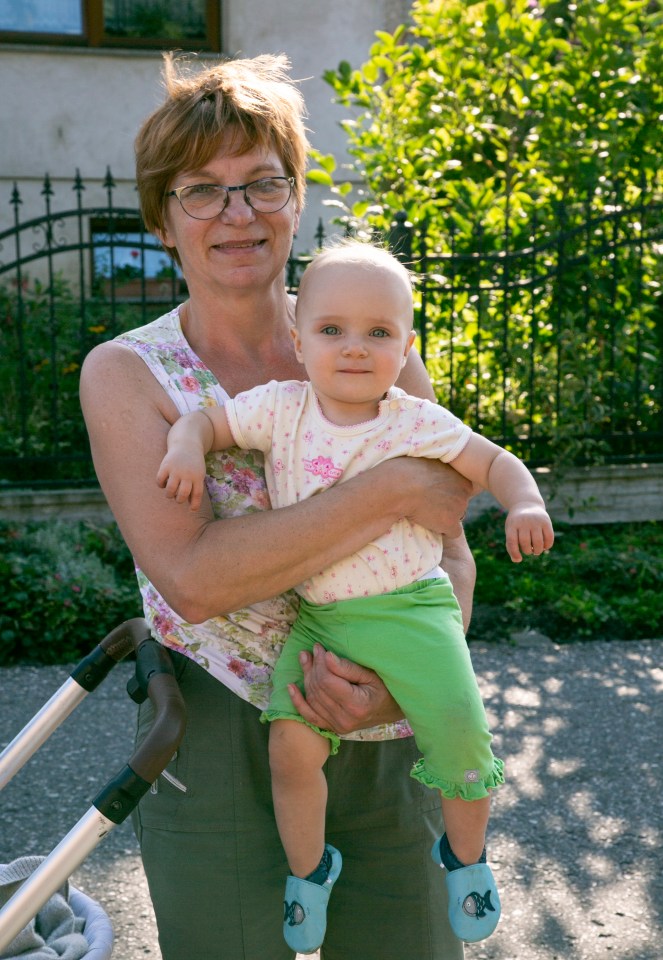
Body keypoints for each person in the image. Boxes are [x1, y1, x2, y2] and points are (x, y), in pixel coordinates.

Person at [80, 53, 477, 960]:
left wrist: (404, 673)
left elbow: (449, 548)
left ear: (296, 199)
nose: (238, 214)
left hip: (382, 699)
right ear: (162, 218)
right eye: (203, 191)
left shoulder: (360, 338)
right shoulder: (129, 374)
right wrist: (391, 489)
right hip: (218, 720)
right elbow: (193, 577)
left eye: (262, 183)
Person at [157, 239, 555, 951]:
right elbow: (205, 422)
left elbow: (492, 461)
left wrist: (523, 503)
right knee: (290, 745)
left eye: (378, 332)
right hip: (323, 620)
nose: (353, 348)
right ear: (298, 339)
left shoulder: (412, 420)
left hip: (412, 612)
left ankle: (464, 859)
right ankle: (310, 874)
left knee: (461, 737)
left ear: (405, 345)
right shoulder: (279, 409)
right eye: (331, 330)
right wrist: (186, 447)